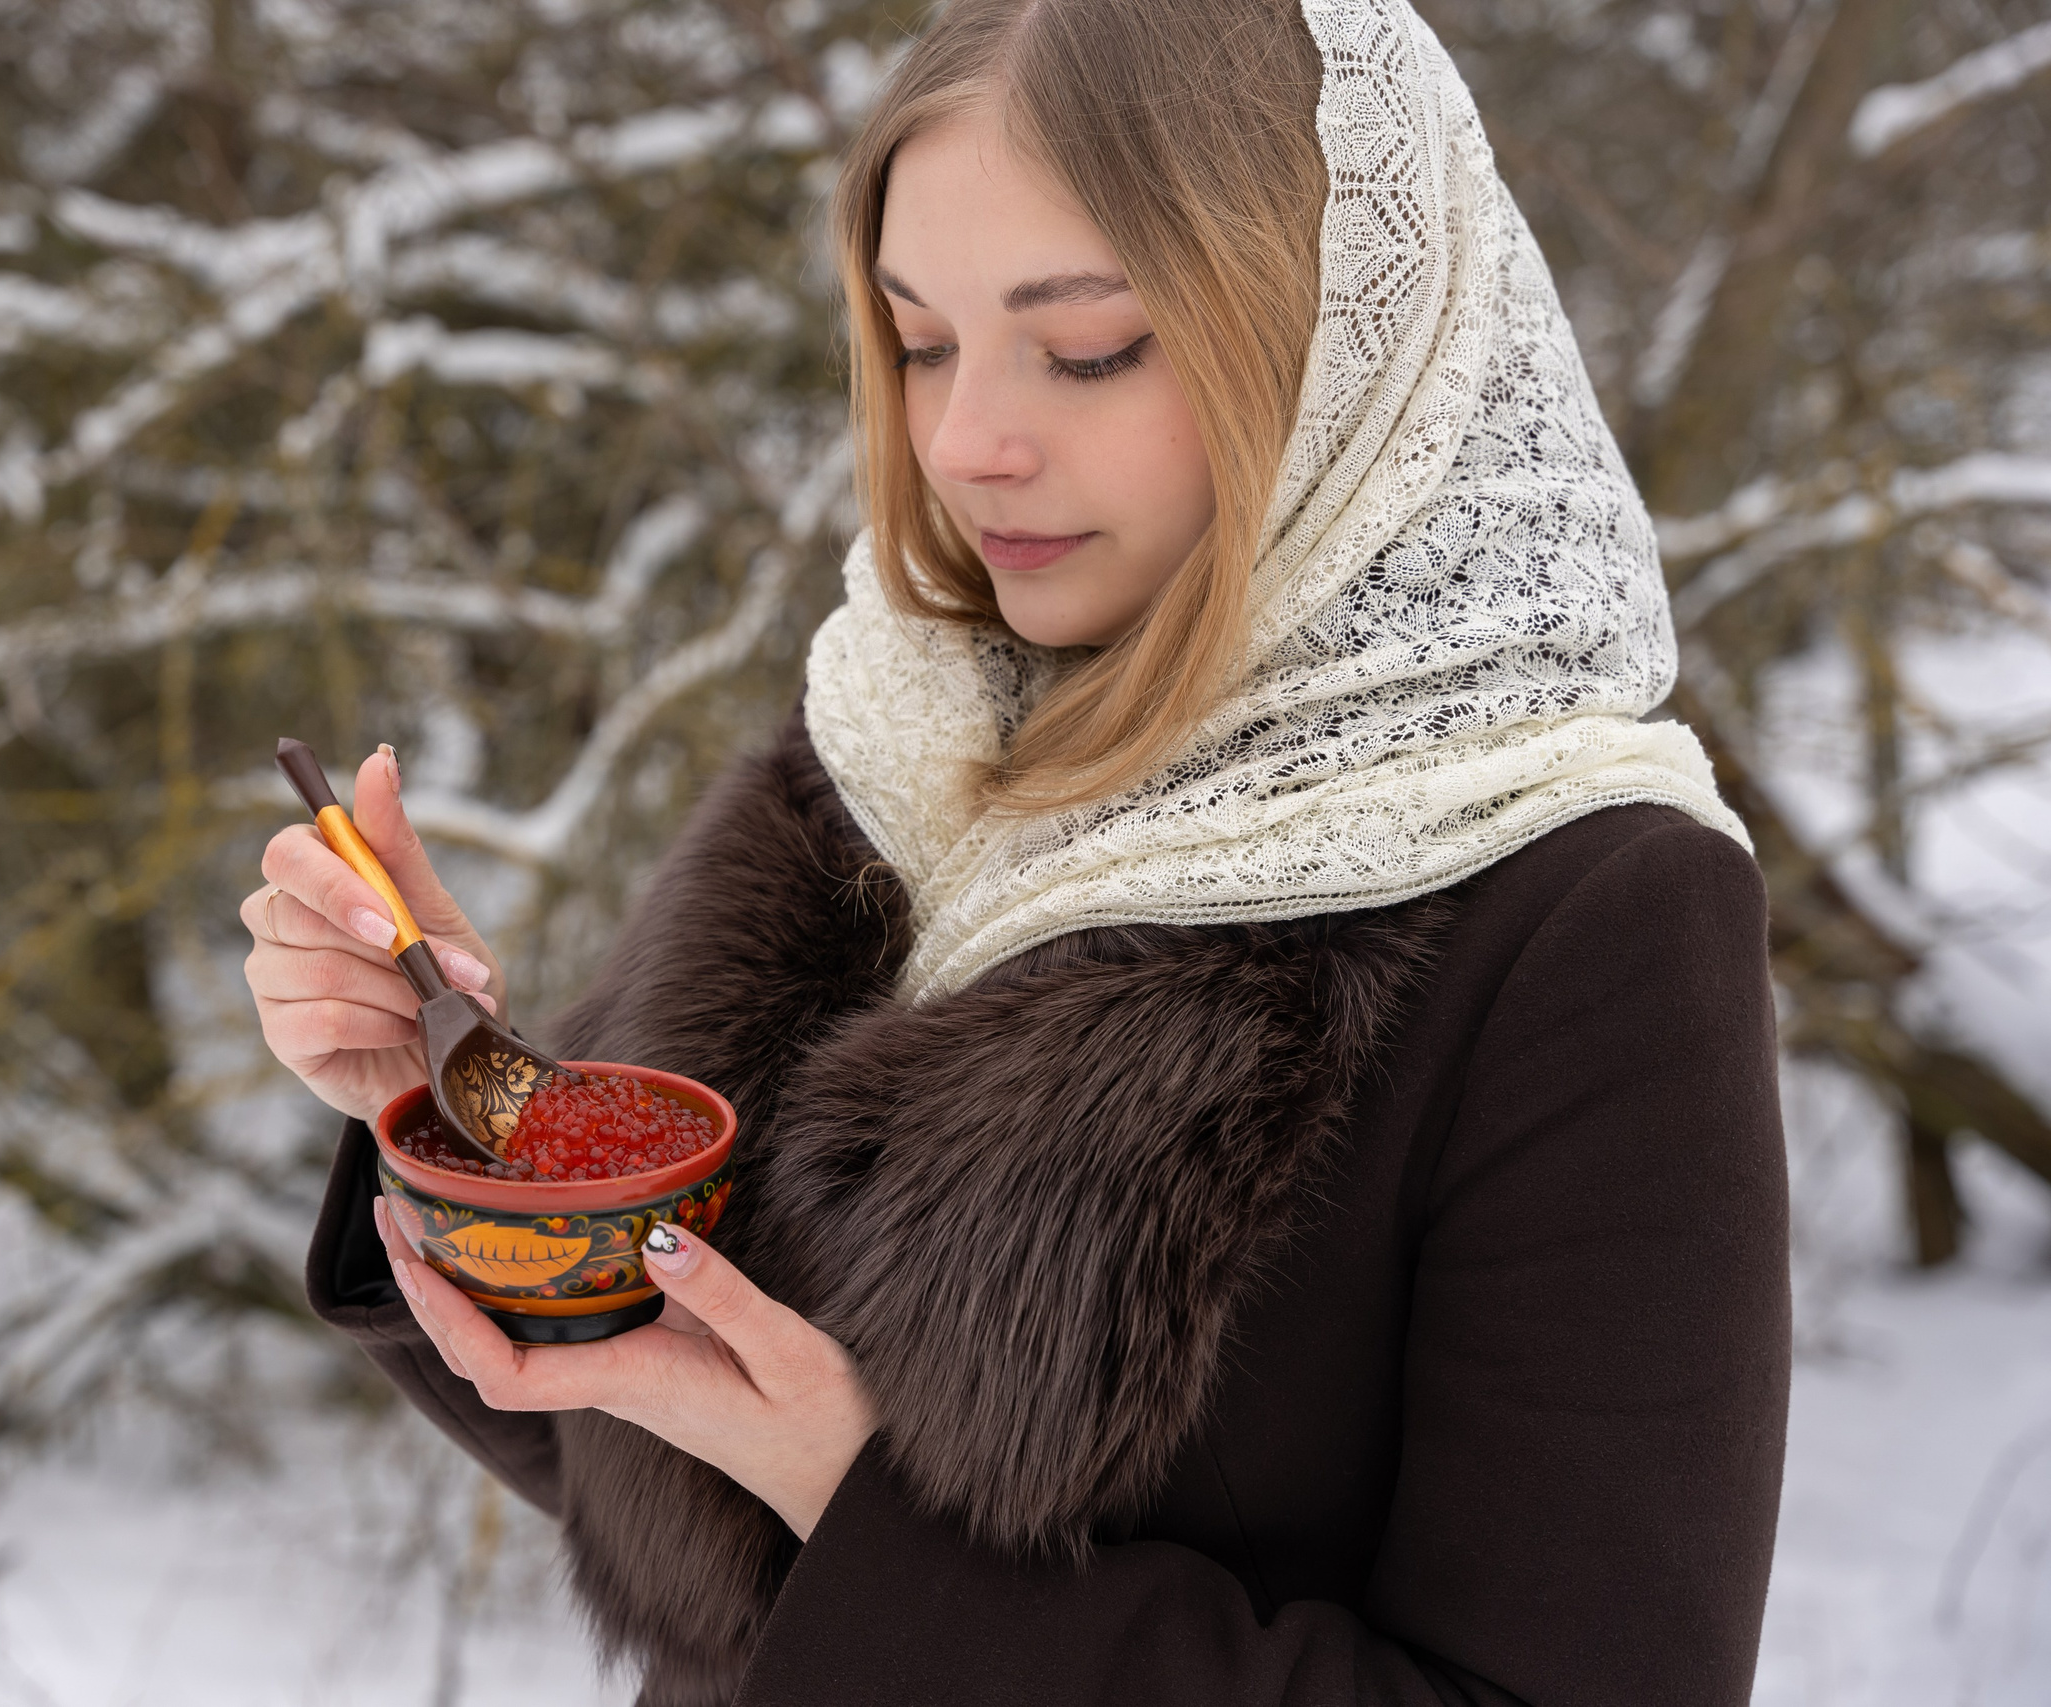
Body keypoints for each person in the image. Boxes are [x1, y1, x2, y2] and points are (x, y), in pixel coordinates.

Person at [241, 1, 1790, 1701]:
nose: (970, 440)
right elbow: (660, 1455)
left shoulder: (1590, 913)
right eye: (920, 341)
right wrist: (461, 1117)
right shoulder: (895, 752)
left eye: (1093, 345)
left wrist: (865, 1527)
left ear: (1343, 341)